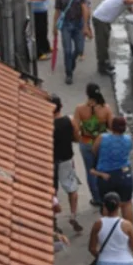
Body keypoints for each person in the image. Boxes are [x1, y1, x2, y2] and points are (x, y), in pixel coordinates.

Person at [91, 0, 133, 75]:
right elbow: (126, 1)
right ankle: (102, 68)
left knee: (105, 43)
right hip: (101, 20)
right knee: (102, 45)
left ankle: (106, 64)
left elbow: (131, 9)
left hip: (104, 21)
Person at [74, 83, 114, 206]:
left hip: (86, 143)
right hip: (102, 142)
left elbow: (75, 127)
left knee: (90, 171)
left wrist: (79, 138)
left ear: (87, 93)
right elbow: (112, 126)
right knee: (103, 168)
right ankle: (105, 195)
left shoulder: (80, 109)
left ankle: (97, 198)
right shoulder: (106, 108)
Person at [91, 116, 133, 224]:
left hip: (105, 176)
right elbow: (128, 151)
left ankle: (109, 229)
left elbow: (94, 151)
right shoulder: (128, 139)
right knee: (126, 203)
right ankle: (130, 232)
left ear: (111, 126)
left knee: (107, 204)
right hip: (124, 175)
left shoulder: (102, 138)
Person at [52, 95, 84, 232]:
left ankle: (53, 221)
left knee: (51, 191)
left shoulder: (45, 124)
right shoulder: (69, 121)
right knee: (72, 189)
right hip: (66, 159)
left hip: (50, 161)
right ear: (61, 106)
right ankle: (73, 215)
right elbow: (77, 138)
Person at [54, 0, 92, 84]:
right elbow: (57, 11)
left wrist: (86, 26)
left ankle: (71, 62)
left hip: (79, 24)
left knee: (80, 49)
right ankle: (69, 74)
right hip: (66, 25)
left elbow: (85, 9)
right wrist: (54, 27)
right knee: (67, 50)